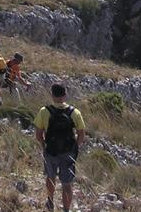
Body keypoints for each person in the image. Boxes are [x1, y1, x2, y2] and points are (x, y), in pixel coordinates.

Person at [34, 84, 85, 212]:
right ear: (65, 95)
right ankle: (66, 210)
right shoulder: (75, 112)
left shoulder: (44, 111)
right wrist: (75, 147)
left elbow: (38, 134)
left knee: (50, 177)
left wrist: (44, 145)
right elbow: (81, 134)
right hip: (68, 153)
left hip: (50, 151)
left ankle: (50, 201)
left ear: (52, 95)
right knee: (67, 184)